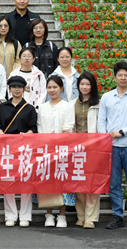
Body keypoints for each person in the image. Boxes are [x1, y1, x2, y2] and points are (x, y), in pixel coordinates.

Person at [99, 61, 127, 231]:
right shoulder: (106, 97)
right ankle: (118, 216)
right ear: (115, 77)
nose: (123, 78)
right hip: (111, 147)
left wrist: (122, 132)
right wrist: (104, 138)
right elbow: (101, 120)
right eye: (120, 75)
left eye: (126, 75)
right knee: (114, 184)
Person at [0, 76, 37, 228]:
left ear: (24, 89)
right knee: (8, 181)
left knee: (26, 182)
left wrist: (26, 135)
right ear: (9, 89)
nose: (16, 89)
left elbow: (34, 128)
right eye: (13, 87)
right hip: (6, 148)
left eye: (19, 87)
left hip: (24, 148)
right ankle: (10, 215)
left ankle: (25, 216)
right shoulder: (2, 107)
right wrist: (1, 134)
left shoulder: (29, 108)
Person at [37, 76, 76, 228]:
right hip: (46, 150)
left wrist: (58, 143)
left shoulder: (67, 106)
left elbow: (69, 127)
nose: (52, 90)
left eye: (55, 87)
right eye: (49, 87)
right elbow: (40, 128)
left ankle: (62, 215)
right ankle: (48, 214)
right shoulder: (42, 107)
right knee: (47, 182)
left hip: (63, 150)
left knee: (62, 182)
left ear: (61, 89)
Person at [74, 71, 101, 229]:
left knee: (92, 183)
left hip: (94, 148)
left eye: (87, 84)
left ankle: (90, 217)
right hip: (77, 149)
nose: (84, 87)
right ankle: (81, 215)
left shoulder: (99, 104)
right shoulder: (73, 104)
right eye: (82, 84)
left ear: (92, 86)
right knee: (79, 183)